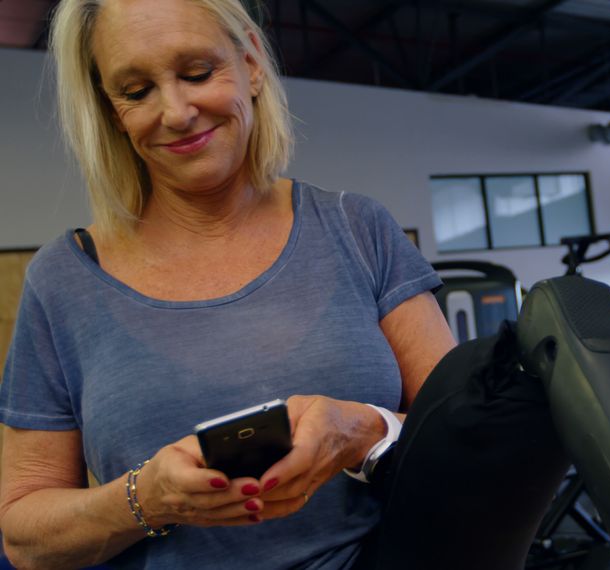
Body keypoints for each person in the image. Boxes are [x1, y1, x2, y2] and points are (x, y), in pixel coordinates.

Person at [0, 0, 456, 567]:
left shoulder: (359, 229)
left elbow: (472, 439)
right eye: (136, 91)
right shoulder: (62, 280)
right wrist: (145, 498)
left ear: (253, 64)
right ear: (112, 112)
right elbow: (23, 538)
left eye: (196, 73)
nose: (176, 111)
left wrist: (364, 431)